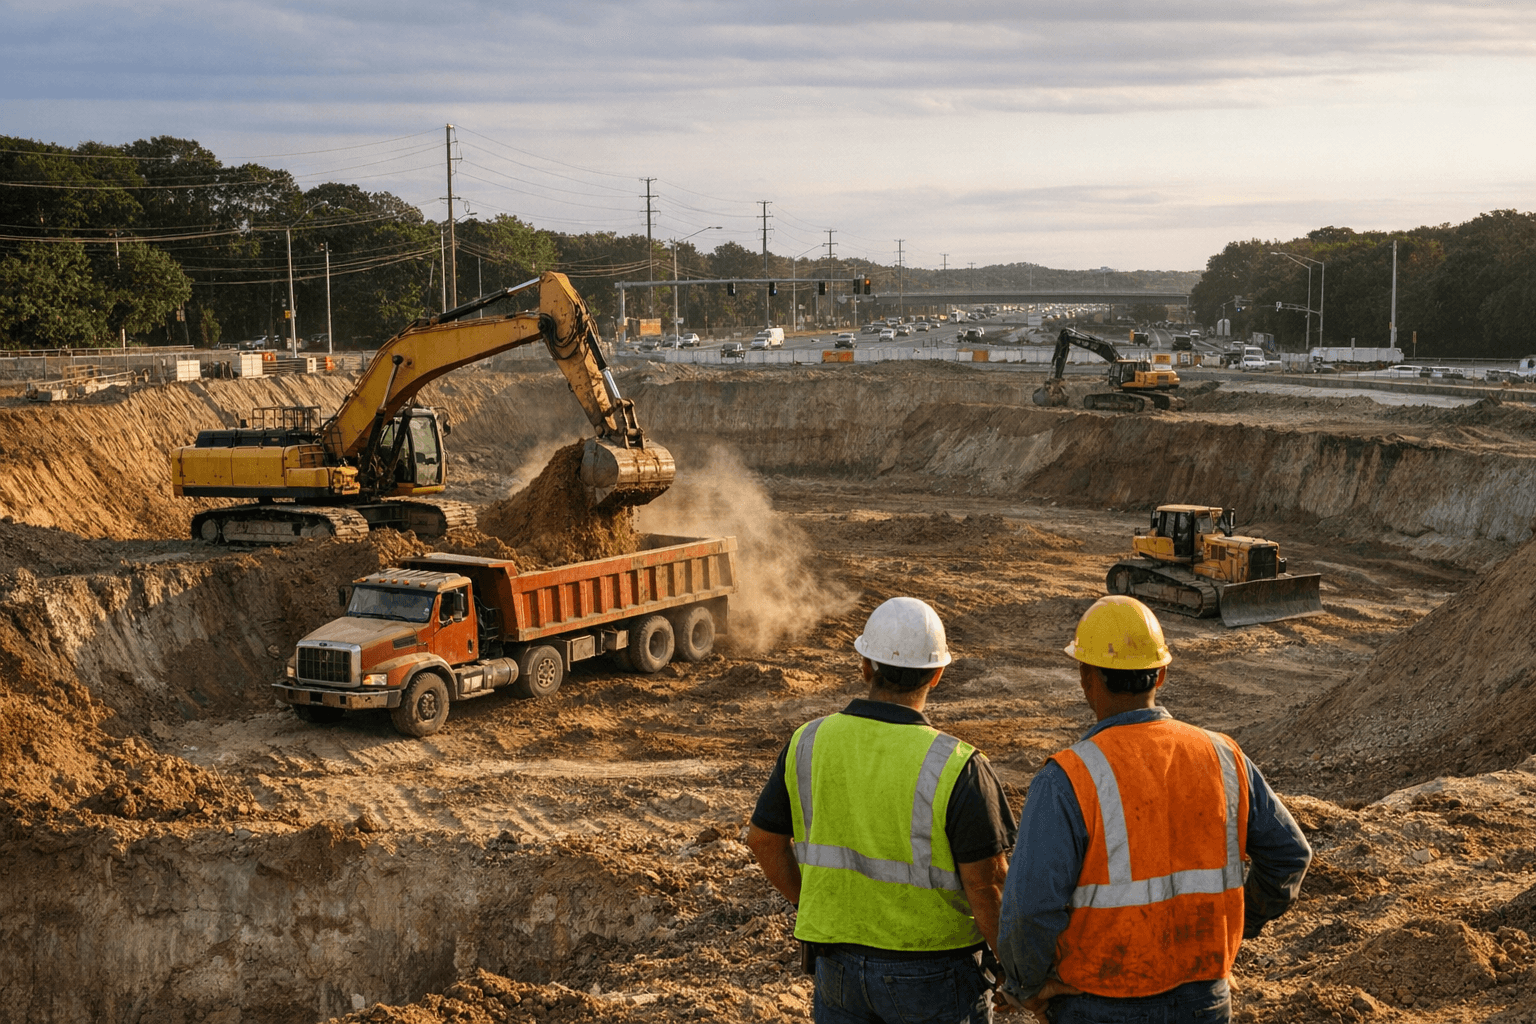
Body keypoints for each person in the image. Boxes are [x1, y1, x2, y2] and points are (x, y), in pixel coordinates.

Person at [996, 595, 1311, 1024]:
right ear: (1160, 674)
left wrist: (1027, 986)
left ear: (1086, 677)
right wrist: (1229, 935)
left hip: (1098, 1002)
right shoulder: (1223, 757)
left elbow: (1029, 908)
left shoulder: (1068, 778)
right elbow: (1290, 856)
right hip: (1205, 998)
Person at [747, 597, 1017, 1024]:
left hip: (837, 969)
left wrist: (817, 905)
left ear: (866, 667)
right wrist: (1016, 973)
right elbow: (988, 886)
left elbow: (763, 841)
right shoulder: (957, 765)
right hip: (936, 973)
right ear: (938, 674)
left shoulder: (808, 743)